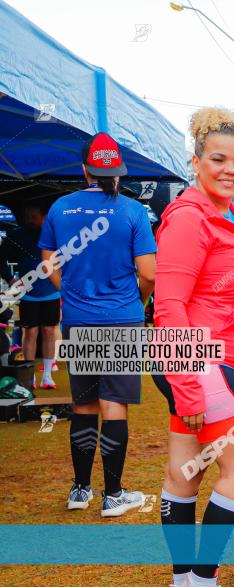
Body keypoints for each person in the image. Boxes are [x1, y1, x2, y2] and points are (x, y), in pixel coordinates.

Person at [153, 108, 234, 587]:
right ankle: (201, 578)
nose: (231, 170)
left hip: (218, 362)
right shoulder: (189, 217)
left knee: (186, 471)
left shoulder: (230, 212)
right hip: (196, 360)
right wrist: (190, 389)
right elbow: (169, 306)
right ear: (196, 161)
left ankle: (185, 580)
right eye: (219, 159)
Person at [39, 132, 156, 517]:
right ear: (118, 173)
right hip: (121, 318)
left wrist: (70, 291)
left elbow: (49, 262)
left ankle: (79, 489)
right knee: (114, 405)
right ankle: (113, 495)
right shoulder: (133, 212)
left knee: (85, 405)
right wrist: (135, 304)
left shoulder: (59, 208)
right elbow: (149, 274)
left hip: (77, 318)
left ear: (84, 169)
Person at [0, 203, 61, 389]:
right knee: (30, 332)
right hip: (28, 293)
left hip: (52, 291)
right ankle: (30, 375)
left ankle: (48, 375)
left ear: (43, 215)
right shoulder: (16, 234)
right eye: (26, 215)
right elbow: (0, 258)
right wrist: (11, 279)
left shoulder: (55, 232)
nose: (29, 218)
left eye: (32, 215)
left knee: (50, 331)